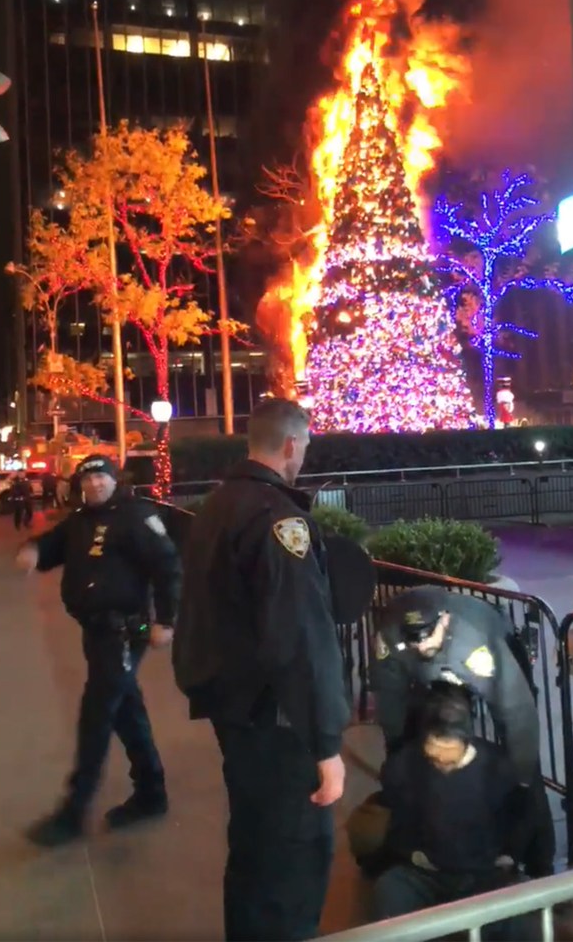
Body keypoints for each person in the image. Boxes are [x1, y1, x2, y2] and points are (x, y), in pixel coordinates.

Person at [173, 398, 351, 942]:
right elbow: (299, 634)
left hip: (234, 711)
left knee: (252, 853)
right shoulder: (279, 520)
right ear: (292, 445)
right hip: (276, 722)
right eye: (307, 447)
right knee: (289, 867)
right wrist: (325, 743)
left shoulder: (219, 505)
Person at [16, 454, 182, 847]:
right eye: (88, 479)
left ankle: (75, 810)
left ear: (114, 480)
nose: (94, 485)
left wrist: (167, 621)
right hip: (96, 634)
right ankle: (151, 792)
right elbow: (50, 545)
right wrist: (33, 551)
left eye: (101, 477)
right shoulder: (80, 521)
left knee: (97, 714)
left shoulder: (135, 517)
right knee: (126, 711)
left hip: (126, 631)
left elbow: (167, 566)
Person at [360, 585, 555, 878]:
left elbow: (518, 714)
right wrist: (399, 761)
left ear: (444, 621)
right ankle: (427, 848)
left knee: (525, 772)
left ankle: (541, 867)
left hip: (488, 651)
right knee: (413, 754)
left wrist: (522, 777)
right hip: (429, 678)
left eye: (428, 636)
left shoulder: (477, 643)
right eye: (414, 639)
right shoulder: (392, 636)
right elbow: (390, 699)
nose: (422, 645)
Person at [372, 685, 532, 940]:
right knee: (389, 890)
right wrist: (410, 852)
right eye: (434, 757)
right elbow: (399, 823)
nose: (442, 766)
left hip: (482, 876)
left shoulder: (498, 767)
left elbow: (519, 819)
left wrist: (509, 854)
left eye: (451, 759)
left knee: (518, 907)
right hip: (426, 874)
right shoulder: (402, 766)